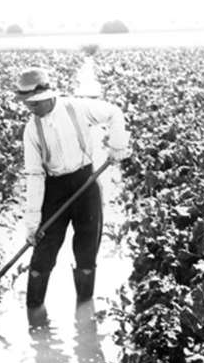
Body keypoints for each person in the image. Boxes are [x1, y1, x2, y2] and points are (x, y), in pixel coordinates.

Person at [14, 65, 130, 309]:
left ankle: (84, 308)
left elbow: (114, 113)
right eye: (27, 103)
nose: (30, 108)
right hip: (54, 189)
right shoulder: (31, 130)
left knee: (87, 251)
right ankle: (34, 308)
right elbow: (34, 175)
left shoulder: (77, 108)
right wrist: (32, 222)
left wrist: (118, 145)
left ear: (47, 96)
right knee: (43, 253)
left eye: (33, 102)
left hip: (86, 183)